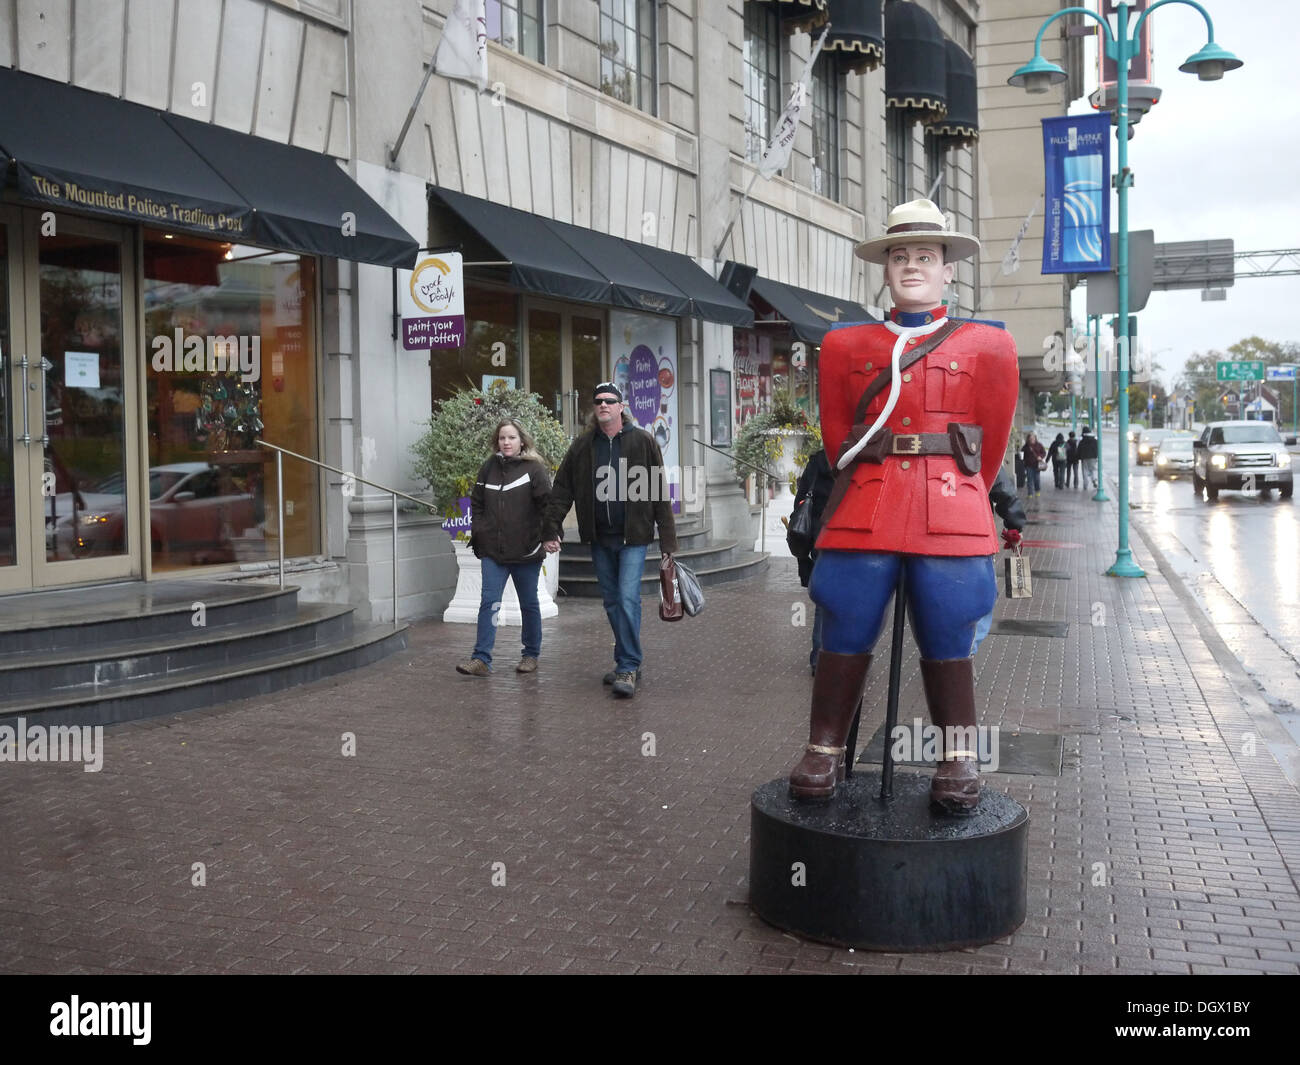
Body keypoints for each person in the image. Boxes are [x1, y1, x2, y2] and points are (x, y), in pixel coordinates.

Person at [787, 198, 1018, 815]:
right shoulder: (843, 344)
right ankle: (825, 748)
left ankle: (958, 754)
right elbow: (838, 436)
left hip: (950, 500)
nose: (911, 266)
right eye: (899, 256)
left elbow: (990, 441)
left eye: (925, 256)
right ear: (883, 268)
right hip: (870, 495)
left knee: (950, 615)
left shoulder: (988, 344)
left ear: (948, 270)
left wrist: (966, 491)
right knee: (847, 608)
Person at [543, 383, 677, 699]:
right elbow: (562, 489)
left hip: (634, 537)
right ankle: (627, 659)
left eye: (609, 401)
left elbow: (658, 489)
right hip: (599, 537)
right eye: (599, 401)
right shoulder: (583, 446)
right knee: (613, 602)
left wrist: (668, 541)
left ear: (621, 406)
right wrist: (552, 528)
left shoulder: (642, 441)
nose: (603, 405)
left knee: (628, 597)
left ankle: (628, 665)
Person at [456, 419, 554, 676]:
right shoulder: (488, 467)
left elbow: (547, 506)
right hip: (493, 551)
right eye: (502, 438)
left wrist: (549, 535)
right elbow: (476, 503)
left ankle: (530, 654)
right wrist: (480, 530)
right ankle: (481, 659)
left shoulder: (534, 469)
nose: (506, 442)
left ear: (522, 440)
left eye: (511, 438)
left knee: (528, 604)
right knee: (489, 603)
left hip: (527, 550)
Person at [787, 449, 834, 675]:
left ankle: (818, 657)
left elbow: (801, 499)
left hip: (820, 540)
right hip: (850, 539)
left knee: (823, 602)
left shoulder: (818, 461)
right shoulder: (856, 459)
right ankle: (849, 654)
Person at [971, 466, 1028, 653]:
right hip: (975, 533)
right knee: (983, 594)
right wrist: (1015, 526)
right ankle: (966, 654)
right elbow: (1004, 491)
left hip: (928, 538)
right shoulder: (977, 444)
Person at [1021, 432, 1046, 498]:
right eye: (1030, 438)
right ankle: (1030, 493)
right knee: (1029, 480)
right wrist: (1023, 460)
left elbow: (1044, 452)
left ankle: (1037, 490)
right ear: (1028, 439)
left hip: (1037, 465)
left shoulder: (1039, 445)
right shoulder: (1026, 446)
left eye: (1033, 438)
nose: (1032, 439)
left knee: (1037, 479)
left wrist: (1040, 456)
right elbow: (1022, 453)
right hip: (1029, 465)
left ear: (1035, 438)